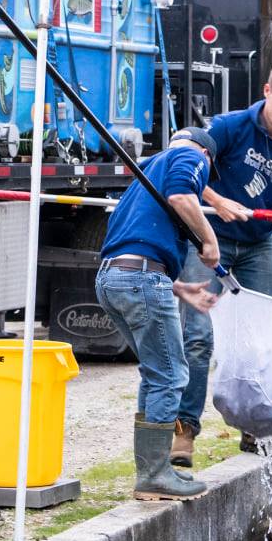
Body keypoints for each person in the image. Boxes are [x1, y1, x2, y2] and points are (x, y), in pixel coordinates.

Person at [179, 60, 272, 465]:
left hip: (256, 248)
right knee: (199, 337)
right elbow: (182, 165)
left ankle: (254, 427)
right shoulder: (229, 127)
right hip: (210, 238)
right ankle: (184, 432)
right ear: (266, 90)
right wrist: (218, 203)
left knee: (255, 343)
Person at [94, 128, 222, 501]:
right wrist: (210, 241)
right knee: (170, 374)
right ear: (207, 155)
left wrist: (176, 287)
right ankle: (155, 474)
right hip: (140, 279)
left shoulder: (147, 170)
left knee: (155, 372)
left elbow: (136, 234)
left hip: (113, 277)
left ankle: (151, 472)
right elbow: (182, 196)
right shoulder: (191, 156)